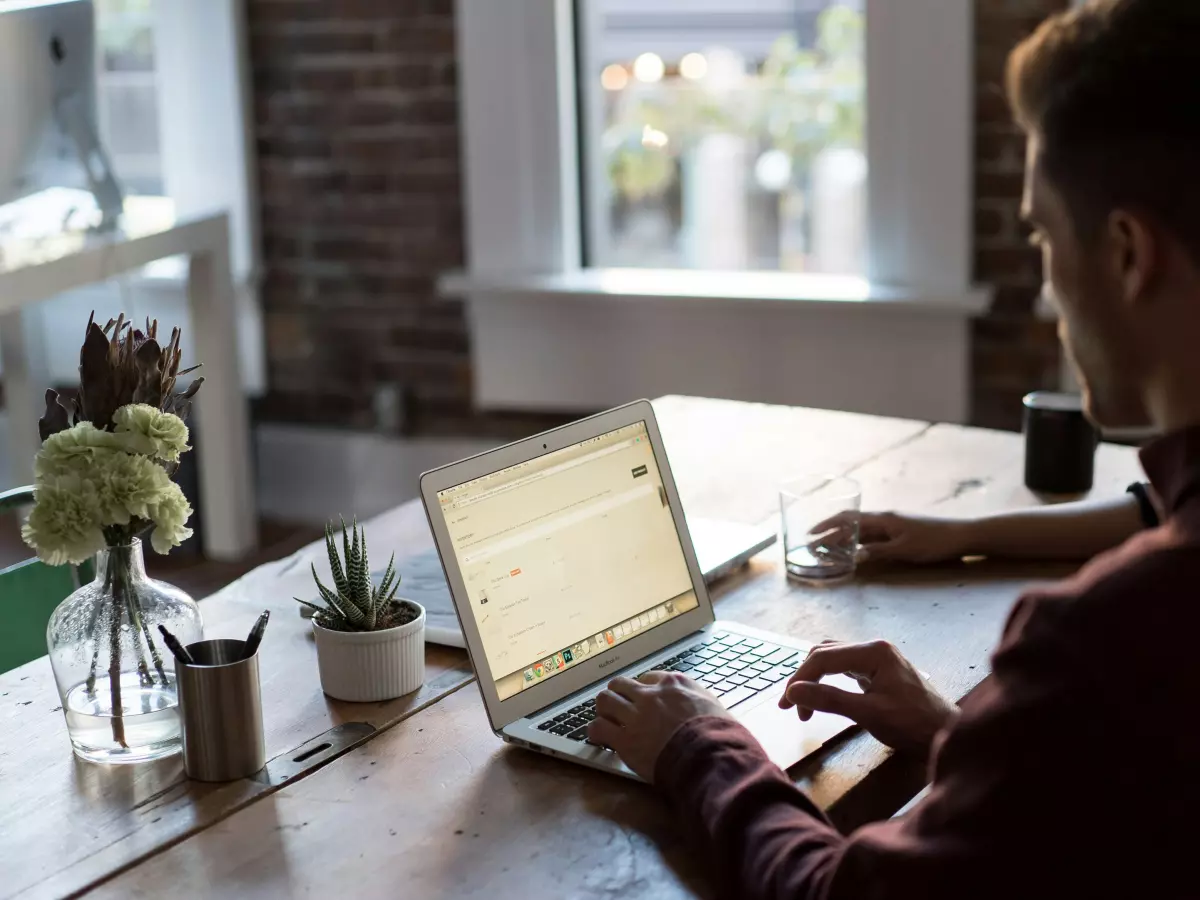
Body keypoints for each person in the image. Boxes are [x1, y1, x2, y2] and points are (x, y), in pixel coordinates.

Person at [587, 1, 1200, 896]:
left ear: (1125, 253)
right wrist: (968, 738)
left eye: (1040, 235)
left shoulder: (1102, 641)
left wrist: (700, 745)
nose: (1044, 291)